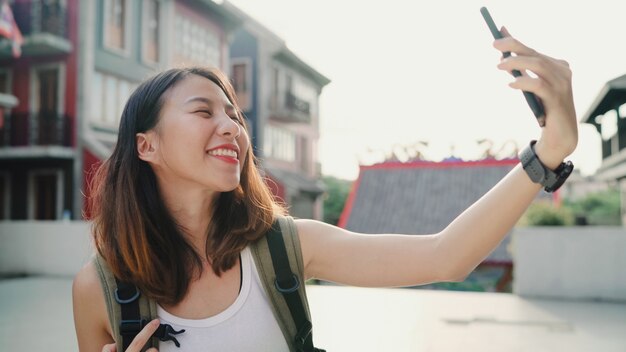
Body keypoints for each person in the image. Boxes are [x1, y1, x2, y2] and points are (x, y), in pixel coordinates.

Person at [72, 27, 578, 352]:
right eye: (204, 111)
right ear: (147, 146)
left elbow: (445, 257)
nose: (231, 127)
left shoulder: (285, 248)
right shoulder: (99, 291)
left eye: (234, 115)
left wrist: (547, 153)